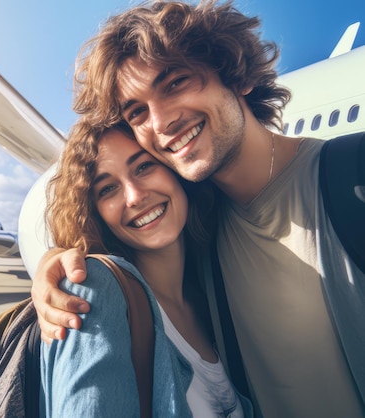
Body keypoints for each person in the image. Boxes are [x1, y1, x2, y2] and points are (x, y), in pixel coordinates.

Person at [31, 1, 365, 417]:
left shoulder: (351, 179)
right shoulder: (207, 224)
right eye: (137, 112)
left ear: (236, 74)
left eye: (175, 83)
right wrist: (57, 260)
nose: (162, 121)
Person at [40, 118, 251, 417]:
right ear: (94, 212)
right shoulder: (97, 290)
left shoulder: (210, 286)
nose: (135, 196)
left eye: (143, 167)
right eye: (108, 189)